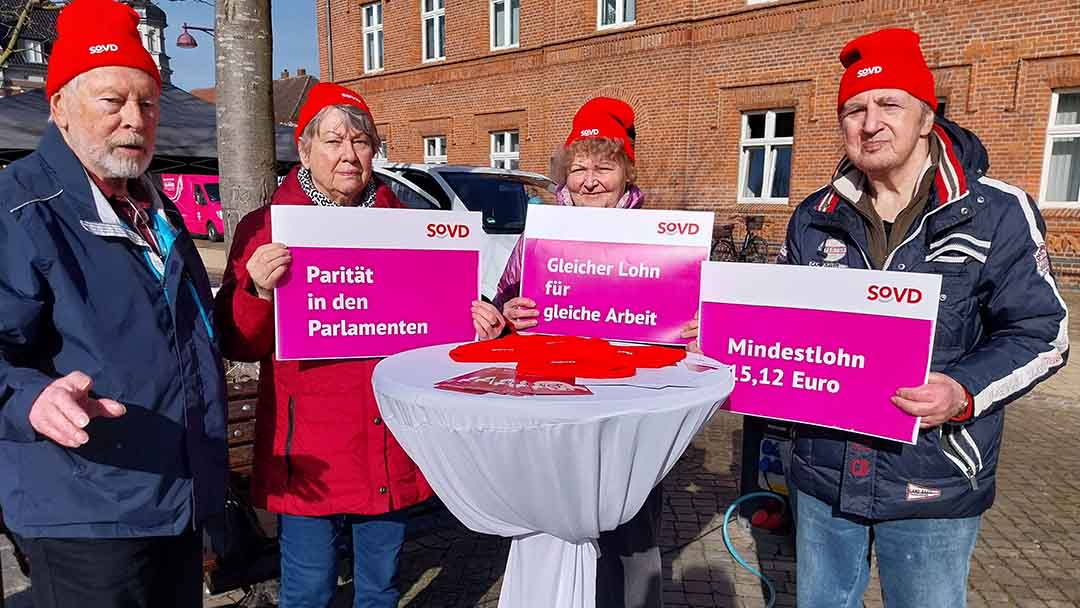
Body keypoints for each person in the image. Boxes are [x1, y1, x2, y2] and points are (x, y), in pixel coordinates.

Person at [778, 28, 1069, 607]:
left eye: (889, 104)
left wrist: (963, 390)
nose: (870, 122)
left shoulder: (994, 213)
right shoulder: (814, 216)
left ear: (926, 117)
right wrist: (716, 336)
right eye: (854, 109)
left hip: (932, 476)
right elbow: (781, 324)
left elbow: (1044, 333)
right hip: (823, 473)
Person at [216, 83, 496, 608]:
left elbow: (443, 327)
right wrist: (254, 290)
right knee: (307, 591)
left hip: (385, 438)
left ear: (375, 150)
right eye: (332, 140)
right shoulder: (267, 229)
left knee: (380, 588)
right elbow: (237, 341)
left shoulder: (413, 228)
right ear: (304, 149)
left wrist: (480, 322)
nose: (348, 153)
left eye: (361, 140)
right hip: (309, 451)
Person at [0, 1, 227, 606]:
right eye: (112, 102)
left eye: (147, 103)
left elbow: (188, 338)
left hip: (175, 497)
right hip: (85, 513)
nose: (135, 119)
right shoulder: (19, 208)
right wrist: (31, 399)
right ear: (60, 109)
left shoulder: (156, 209)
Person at [477, 97, 698, 608]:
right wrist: (511, 316)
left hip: (629, 410)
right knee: (553, 532)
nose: (590, 180)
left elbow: (689, 323)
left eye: (604, 166)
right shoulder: (541, 233)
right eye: (578, 167)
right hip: (559, 406)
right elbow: (502, 307)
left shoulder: (660, 237)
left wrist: (694, 329)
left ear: (627, 170)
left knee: (630, 538)